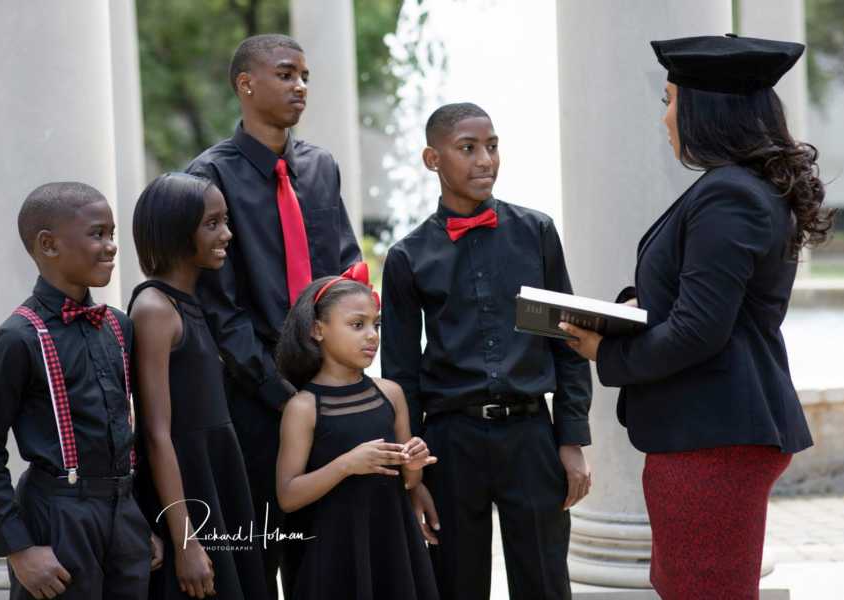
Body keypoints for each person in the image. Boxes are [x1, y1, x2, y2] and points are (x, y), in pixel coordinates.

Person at [561, 34, 834, 600]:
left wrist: (605, 352)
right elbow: (713, 307)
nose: (664, 119)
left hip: (714, 438)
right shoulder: (741, 189)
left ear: (707, 111)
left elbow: (699, 330)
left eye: (668, 100)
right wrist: (638, 309)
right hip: (715, 433)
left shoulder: (729, 195)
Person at [380, 102, 593, 600]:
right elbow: (401, 373)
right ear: (433, 159)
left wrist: (571, 439)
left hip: (531, 435)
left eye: (493, 146)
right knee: (455, 583)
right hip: (451, 444)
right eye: (468, 148)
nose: (485, 161)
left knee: (544, 581)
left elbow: (567, 340)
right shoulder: (407, 258)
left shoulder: (536, 233)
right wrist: (413, 472)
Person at [185, 33, 361, 596]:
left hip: (330, 392)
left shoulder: (321, 167)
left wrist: (339, 378)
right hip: (255, 401)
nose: (300, 87)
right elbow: (220, 308)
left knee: (329, 556)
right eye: (286, 75)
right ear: (246, 84)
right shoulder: (208, 177)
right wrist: (283, 393)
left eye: (305, 76)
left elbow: (346, 268)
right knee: (260, 553)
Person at [0, 182, 163, 599]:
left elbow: (130, 435)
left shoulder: (119, 325)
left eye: (112, 233)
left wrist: (137, 520)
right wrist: (18, 548)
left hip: (122, 514)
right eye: (97, 234)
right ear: (48, 245)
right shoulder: (18, 338)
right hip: (57, 517)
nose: (111, 246)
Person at [128, 173, 268, 600]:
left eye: (225, 220)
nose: (227, 233)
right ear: (176, 230)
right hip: (188, 491)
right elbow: (156, 433)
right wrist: (186, 542)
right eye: (212, 223)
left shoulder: (192, 301)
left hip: (217, 475)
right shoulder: (155, 309)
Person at [274, 263, 439, 600]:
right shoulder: (303, 407)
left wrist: (415, 462)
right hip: (334, 555)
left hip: (392, 547)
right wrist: (347, 464)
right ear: (318, 330)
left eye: (376, 325)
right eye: (357, 325)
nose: (372, 335)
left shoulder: (390, 394)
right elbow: (287, 496)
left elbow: (409, 482)